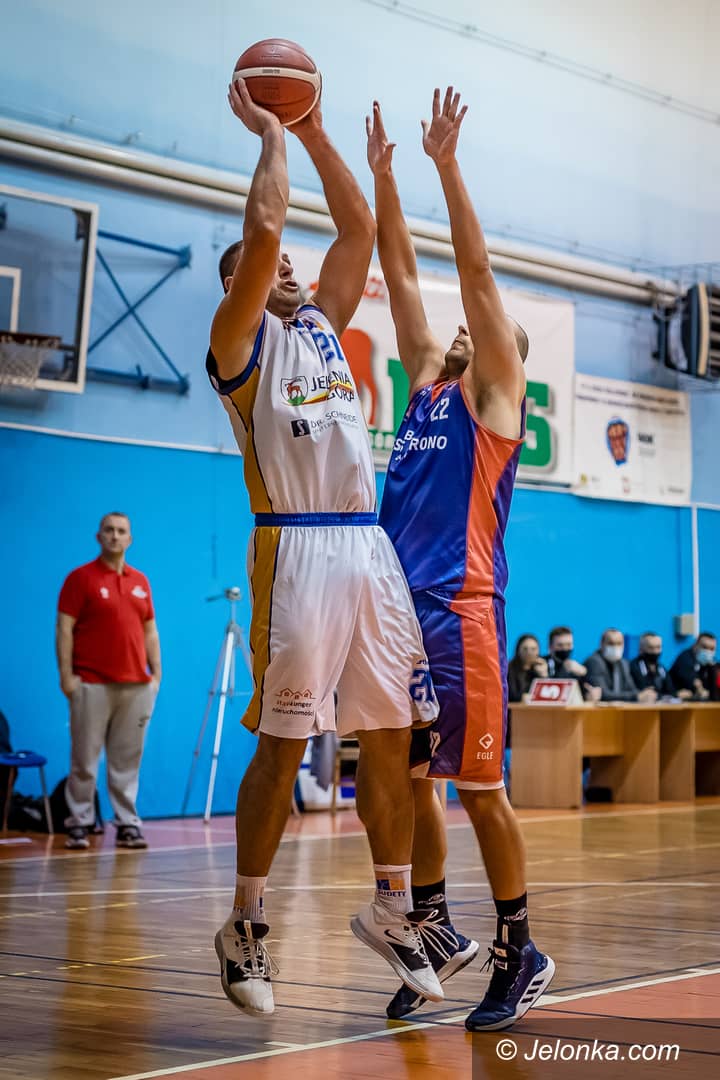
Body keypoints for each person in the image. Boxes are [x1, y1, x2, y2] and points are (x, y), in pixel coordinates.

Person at [207, 77, 442, 1019]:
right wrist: (269, 133)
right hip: (296, 549)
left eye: (291, 269)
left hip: (366, 548)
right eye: (270, 269)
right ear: (241, 287)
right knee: (285, 739)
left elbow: (359, 232)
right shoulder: (239, 344)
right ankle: (247, 924)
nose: (291, 270)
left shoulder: (321, 330)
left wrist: (313, 131)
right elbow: (265, 231)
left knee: (390, 733)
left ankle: (392, 906)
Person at [369, 87, 554, 1032]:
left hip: (462, 613)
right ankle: (436, 931)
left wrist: (446, 167)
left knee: (481, 793)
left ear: (501, 361)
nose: (460, 329)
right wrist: (383, 178)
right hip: (398, 619)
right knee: (412, 788)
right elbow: (402, 271)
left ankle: (522, 950)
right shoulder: (424, 392)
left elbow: (472, 270)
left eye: (479, 333)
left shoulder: (492, 405)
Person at [56, 512, 160, 851]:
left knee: (127, 760)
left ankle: (128, 824)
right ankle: (79, 823)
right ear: (98, 536)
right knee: (84, 759)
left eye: (121, 531)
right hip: (91, 683)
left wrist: (156, 675)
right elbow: (64, 629)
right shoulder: (80, 579)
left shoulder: (140, 581)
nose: (115, 536)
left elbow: (150, 630)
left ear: (130, 539)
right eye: (109, 530)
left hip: (136, 686)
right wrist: (67, 677)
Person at [584, 629, 658, 703]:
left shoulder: (624, 663)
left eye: (619, 643)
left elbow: (632, 689)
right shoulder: (594, 662)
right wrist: (637, 696)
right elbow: (603, 694)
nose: (615, 647)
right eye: (611, 643)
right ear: (601, 644)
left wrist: (644, 694)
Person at [545, 625, 601, 702]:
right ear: (550, 647)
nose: (565, 649)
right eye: (560, 645)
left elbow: (587, 694)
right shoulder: (542, 664)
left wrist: (585, 676)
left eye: (568, 644)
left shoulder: (576, 669)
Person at [670, 632, 718, 700]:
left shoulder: (711, 664)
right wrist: (702, 691)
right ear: (695, 645)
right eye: (704, 647)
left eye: (712, 649)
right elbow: (697, 684)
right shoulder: (685, 658)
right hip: (676, 700)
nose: (708, 652)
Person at [630, 633, 675, 698]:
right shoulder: (634, 666)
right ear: (641, 649)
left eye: (658, 647)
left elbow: (671, 691)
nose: (655, 651)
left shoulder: (661, 668)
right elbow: (644, 690)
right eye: (651, 648)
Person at [507, 635, 548, 702]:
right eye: (525, 649)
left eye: (533, 649)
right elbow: (508, 694)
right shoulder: (509, 669)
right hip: (514, 707)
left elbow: (547, 695)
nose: (529, 652)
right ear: (518, 650)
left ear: (538, 651)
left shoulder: (542, 667)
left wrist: (544, 676)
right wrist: (520, 698)